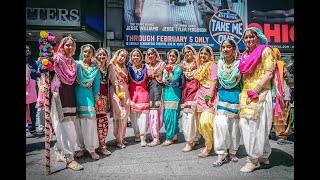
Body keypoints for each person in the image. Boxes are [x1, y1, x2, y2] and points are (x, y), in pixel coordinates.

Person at [237, 27, 280, 172]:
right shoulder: (244, 55)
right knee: (247, 126)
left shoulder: (265, 50)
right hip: (245, 93)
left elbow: (268, 74)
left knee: (258, 127)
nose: (248, 40)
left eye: (251, 37)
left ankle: (253, 159)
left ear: (258, 37)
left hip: (261, 92)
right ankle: (262, 155)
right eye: (246, 38)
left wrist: (255, 91)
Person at [50, 36, 83, 170]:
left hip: (70, 95)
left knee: (69, 126)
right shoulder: (56, 59)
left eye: (72, 45)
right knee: (63, 126)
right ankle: (69, 159)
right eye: (67, 45)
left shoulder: (73, 63)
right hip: (59, 94)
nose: (69, 47)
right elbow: (45, 74)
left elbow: (73, 79)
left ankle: (59, 152)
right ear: (62, 46)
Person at [212, 39, 242, 167]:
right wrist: (209, 95)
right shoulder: (218, 64)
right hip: (222, 96)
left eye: (228, 47)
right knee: (220, 124)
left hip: (236, 97)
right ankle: (221, 153)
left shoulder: (240, 63)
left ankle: (233, 152)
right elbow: (214, 80)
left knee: (234, 126)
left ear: (234, 48)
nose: (225, 49)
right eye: (223, 47)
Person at [74, 44, 101, 161]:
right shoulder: (76, 65)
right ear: (81, 52)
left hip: (88, 97)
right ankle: (81, 147)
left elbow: (96, 87)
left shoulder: (96, 69)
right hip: (76, 95)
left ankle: (91, 149)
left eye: (89, 52)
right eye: (85, 51)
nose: (86, 54)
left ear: (93, 54)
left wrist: (97, 99)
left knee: (89, 123)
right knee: (78, 124)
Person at [194, 45, 218, 158]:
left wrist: (210, 94)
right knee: (201, 124)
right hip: (200, 95)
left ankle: (209, 147)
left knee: (206, 122)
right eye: (201, 53)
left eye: (205, 54)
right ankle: (209, 144)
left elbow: (214, 79)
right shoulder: (200, 66)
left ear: (210, 55)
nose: (203, 55)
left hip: (209, 96)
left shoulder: (212, 65)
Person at [108, 49, 131, 149]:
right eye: (121, 56)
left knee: (125, 115)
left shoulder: (124, 67)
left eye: (125, 57)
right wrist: (119, 95)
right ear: (116, 55)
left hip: (125, 91)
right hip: (116, 91)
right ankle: (118, 139)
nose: (123, 58)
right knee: (120, 114)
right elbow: (114, 82)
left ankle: (122, 137)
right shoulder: (112, 66)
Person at [127, 48, 150, 147]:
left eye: (137, 55)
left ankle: (142, 137)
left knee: (143, 117)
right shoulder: (128, 68)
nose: (135, 57)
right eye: (133, 55)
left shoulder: (146, 67)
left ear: (141, 57)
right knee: (133, 117)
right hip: (132, 94)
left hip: (143, 94)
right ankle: (136, 133)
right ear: (131, 58)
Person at [180, 45, 201, 152]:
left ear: (193, 52)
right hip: (186, 91)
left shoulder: (199, 63)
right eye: (185, 53)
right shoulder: (182, 64)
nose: (187, 54)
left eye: (189, 52)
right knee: (187, 115)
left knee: (193, 115)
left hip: (196, 90)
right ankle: (192, 138)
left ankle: (191, 140)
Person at [161, 49, 184, 147]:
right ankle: (174, 135)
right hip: (167, 93)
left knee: (171, 116)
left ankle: (169, 138)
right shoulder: (166, 67)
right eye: (170, 56)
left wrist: (170, 71)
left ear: (177, 57)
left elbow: (174, 79)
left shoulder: (178, 68)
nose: (171, 58)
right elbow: (163, 80)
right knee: (167, 117)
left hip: (174, 94)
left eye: (173, 56)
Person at [272, 47, 293, 144]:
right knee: (284, 114)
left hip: (271, 94)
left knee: (274, 114)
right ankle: (282, 136)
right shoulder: (281, 64)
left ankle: (273, 132)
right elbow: (288, 78)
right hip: (282, 93)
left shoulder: (267, 65)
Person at [145, 48, 166, 147]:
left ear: (155, 54)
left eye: (152, 54)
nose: (150, 56)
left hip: (159, 91)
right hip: (150, 91)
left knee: (158, 114)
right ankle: (155, 136)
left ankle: (155, 135)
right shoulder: (146, 66)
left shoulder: (162, 65)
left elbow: (165, 78)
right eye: (148, 54)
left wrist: (157, 76)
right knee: (152, 114)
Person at [94, 48, 112, 155]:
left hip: (104, 97)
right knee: (94, 121)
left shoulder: (107, 68)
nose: (102, 57)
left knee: (103, 121)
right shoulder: (94, 67)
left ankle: (102, 145)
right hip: (95, 96)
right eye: (100, 55)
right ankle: (95, 145)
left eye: (104, 55)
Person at [26, 44, 41, 138]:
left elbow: (38, 73)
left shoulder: (34, 63)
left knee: (32, 110)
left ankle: (32, 128)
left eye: (28, 50)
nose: (27, 51)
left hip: (32, 90)